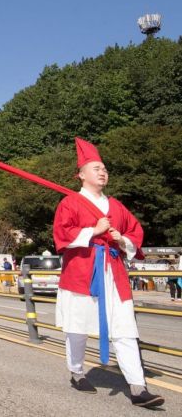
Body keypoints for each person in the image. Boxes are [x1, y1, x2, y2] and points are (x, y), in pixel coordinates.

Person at [53, 137, 163, 408]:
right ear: (81, 175)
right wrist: (94, 231)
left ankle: (138, 387)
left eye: (104, 168)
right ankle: (77, 372)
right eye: (96, 168)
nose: (103, 172)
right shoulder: (70, 203)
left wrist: (120, 238)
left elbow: (135, 232)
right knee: (77, 329)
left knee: (125, 329)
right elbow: (62, 234)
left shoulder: (116, 206)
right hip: (81, 272)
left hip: (113, 272)